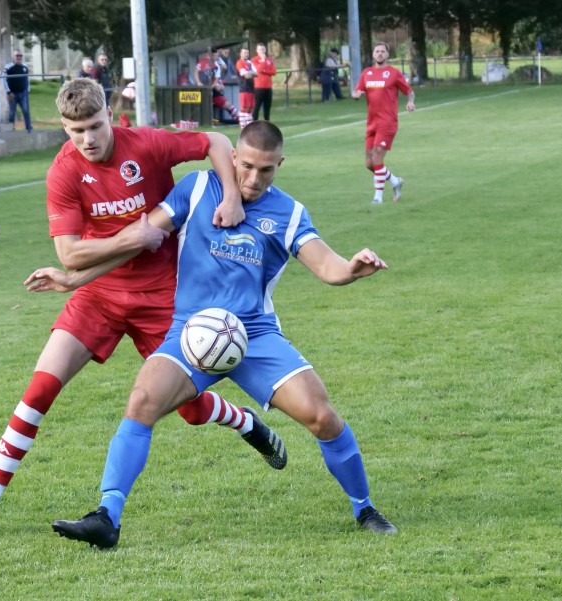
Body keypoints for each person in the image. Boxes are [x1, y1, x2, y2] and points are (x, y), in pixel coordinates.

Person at [0, 78, 286, 528]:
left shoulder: (146, 144)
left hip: (163, 297)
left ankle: (244, 423)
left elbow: (217, 141)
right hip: (97, 295)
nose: (88, 139)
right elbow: (69, 253)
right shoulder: (63, 172)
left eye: (96, 126)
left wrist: (233, 197)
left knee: (189, 408)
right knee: (41, 386)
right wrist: (131, 238)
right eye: (75, 130)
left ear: (110, 116)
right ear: (65, 127)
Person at [42, 120, 398, 549]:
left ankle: (364, 507)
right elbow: (139, 240)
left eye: (265, 170)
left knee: (321, 416)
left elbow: (328, 267)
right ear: (233, 158)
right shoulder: (195, 189)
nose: (252, 178)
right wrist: (74, 278)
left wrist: (352, 269)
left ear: (279, 165)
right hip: (191, 333)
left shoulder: (289, 213)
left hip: (255, 337)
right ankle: (106, 517)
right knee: (141, 401)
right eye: (246, 166)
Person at [351, 42, 415, 204]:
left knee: (377, 157)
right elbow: (359, 90)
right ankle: (395, 181)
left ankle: (378, 198)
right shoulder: (367, 73)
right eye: (377, 51)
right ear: (373, 54)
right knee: (369, 163)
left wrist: (410, 102)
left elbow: (409, 91)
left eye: (382, 51)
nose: (379, 54)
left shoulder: (394, 73)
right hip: (371, 122)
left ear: (387, 55)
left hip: (388, 122)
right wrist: (356, 94)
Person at [4, 49, 32, 133]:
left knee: (26, 110)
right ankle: (11, 128)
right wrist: (8, 92)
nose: (19, 57)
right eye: (17, 55)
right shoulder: (8, 67)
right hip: (12, 93)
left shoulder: (25, 67)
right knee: (12, 112)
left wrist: (28, 90)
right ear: (13, 56)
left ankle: (28, 128)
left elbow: (28, 79)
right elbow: (4, 80)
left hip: (23, 93)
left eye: (20, 56)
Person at [251, 43, 276, 121]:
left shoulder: (269, 60)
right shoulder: (254, 60)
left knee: (267, 106)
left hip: (268, 86)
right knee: (257, 105)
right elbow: (258, 70)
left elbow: (273, 71)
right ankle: (254, 122)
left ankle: (267, 121)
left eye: (263, 49)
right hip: (259, 87)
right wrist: (263, 61)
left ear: (265, 50)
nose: (261, 51)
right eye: (260, 49)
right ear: (257, 50)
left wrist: (265, 70)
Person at [235, 47, 257, 129]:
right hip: (244, 87)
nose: (246, 54)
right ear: (240, 54)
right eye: (244, 53)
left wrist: (250, 73)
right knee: (244, 107)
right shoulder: (239, 63)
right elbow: (246, 76)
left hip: (251, 87)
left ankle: (249, 126)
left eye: (247, 53)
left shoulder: (249, 62)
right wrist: (251, 73)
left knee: (250, 107)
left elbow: (257, 73)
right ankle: (243, 126)